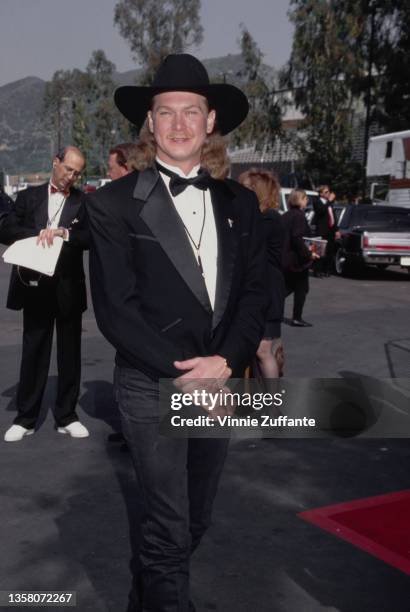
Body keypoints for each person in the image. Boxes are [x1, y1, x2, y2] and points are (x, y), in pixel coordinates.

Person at [86, 53, 268, 612]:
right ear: (150, 123)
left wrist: (226, 362)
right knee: (168, 529)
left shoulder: (239, 203)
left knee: (196, 518)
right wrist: (185, 372)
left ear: (211, 120)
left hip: (219, 383)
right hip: (150, 384)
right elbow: (115, 311)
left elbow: (259, 293)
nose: (181, 124)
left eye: (193, 111)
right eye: (167, 113)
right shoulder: (115, 203)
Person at [1, 146, 90, 442]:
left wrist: (66, 234)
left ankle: (67, 416)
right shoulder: (28, 197)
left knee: (70, 355)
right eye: (68, 169)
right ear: (55, 162)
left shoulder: (83, 201)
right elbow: (6, 228)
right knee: (33, 351)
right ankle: (25, 418)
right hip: (34, 286)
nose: (71, 176)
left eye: (77, 173)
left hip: (68, 287)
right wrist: (35, 233)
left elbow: (90, 237)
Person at [238, 168, 285, 378]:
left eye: (245, 187)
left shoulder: (269, 219)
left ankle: (273, 405)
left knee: (263, 350)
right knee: (257, 349)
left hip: (267, 292)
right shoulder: (261, 217)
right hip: (259, 290)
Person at [282, 188, 319, 327]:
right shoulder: (299, 216)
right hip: (296, 260)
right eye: (305, 199)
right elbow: (297, 238)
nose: (306, 201)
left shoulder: (286, 215)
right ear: (299, 199)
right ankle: (296, 317)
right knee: (301, 288)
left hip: (286, 258)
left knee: (290, 286)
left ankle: (271, 308)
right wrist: (309, 254)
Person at [313, 185, 341, 276]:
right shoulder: (317, 202)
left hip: (330, 230)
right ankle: (317, 270)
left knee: (329, 251)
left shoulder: (329, 204)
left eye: (328, 191)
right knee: (319, 252)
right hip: (321, 230)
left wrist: (336, 230)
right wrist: (329, 201)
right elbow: (321, 211)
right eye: (326, 192)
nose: (328, 193)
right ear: (321, 194)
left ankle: (327, 270)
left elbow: (333, 217)